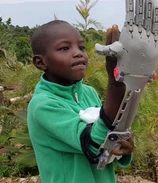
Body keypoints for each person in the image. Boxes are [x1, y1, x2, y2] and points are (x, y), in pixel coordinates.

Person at [27, 20, 134, 183]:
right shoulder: (43, 106)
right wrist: (115, 81)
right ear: (40, 62)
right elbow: (93, 142)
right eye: (64, 48)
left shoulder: (89, 93)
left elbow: (104, 148)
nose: (78, 53)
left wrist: (122, 144)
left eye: (81, 47)